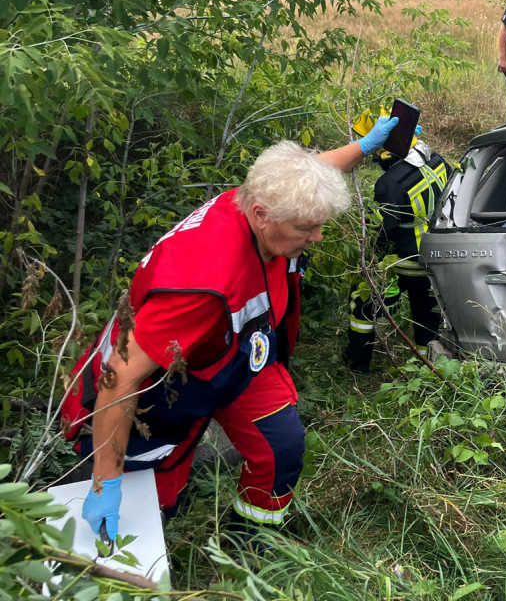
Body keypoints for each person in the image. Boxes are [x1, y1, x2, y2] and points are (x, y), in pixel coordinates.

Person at [61, 117, 399, 545]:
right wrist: (104, 483)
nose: (315, 237)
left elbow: (310, 173)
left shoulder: (265, 194)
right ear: (262, 215)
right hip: (167, 383)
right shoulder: (202, 286)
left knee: (282, 446)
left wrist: (365, 147)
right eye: (304, 229)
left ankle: (248, 544)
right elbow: (120, 377)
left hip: (238, 354)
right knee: (148, 503)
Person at [344, 114, 452, 372]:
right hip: (436, 259)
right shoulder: (436, 159)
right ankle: (429, 368)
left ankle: (358, 362)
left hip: (404, 263)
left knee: (362, 302)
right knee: (427, 317)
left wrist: (369, 263)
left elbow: (383, 233)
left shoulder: (390, 184)